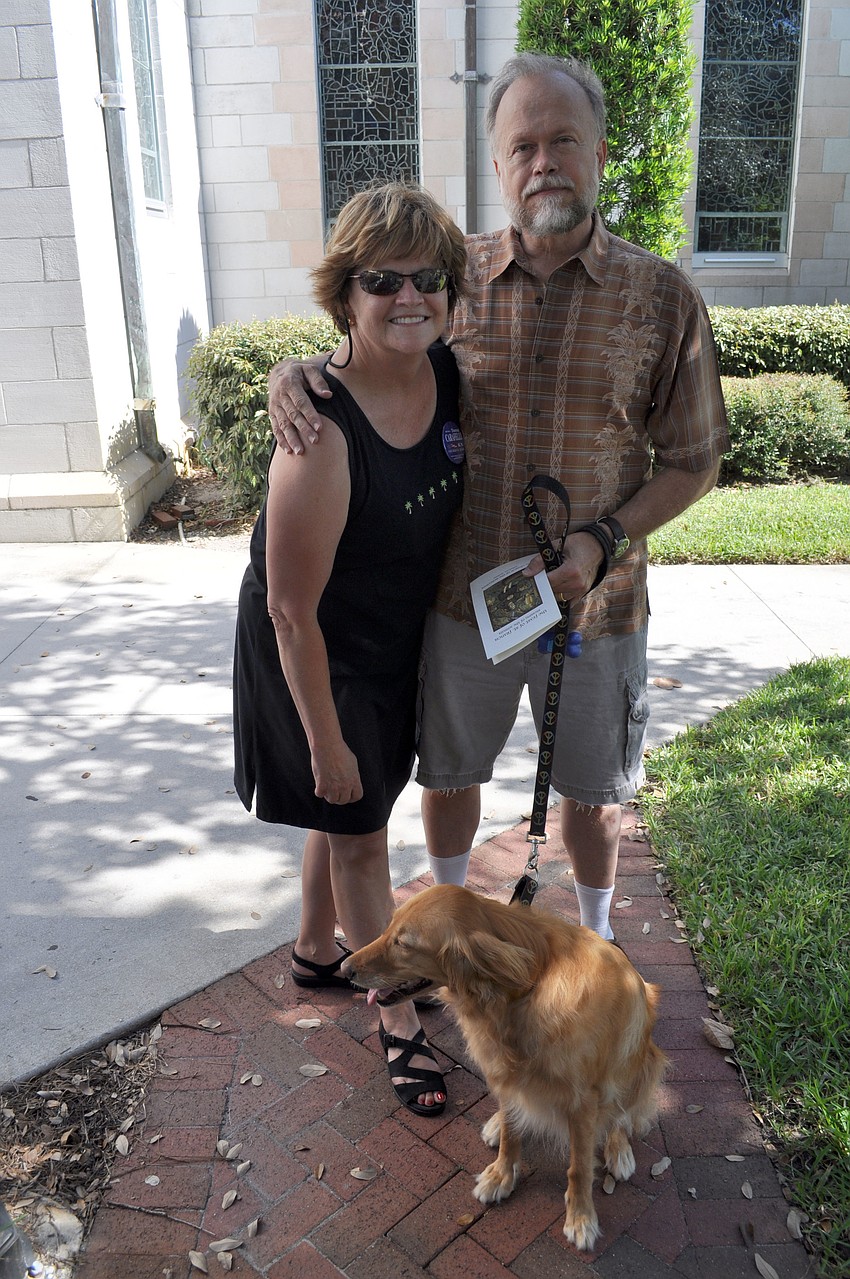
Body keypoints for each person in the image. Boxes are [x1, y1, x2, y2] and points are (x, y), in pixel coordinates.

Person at [267, 53, 730, 941]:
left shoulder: (663, 297)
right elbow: (367, 356)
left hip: (599, 607)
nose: (544, 162)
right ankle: (449, 925)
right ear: (498, 167)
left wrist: (603, 538)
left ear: (600, 151)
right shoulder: (450, 279)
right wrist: (293, 374)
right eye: (523, 146)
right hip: (461, 599)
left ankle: (591, 939)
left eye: (564, 141)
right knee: (449, 778)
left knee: (592, 797)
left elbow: (694, 457)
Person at [233, 182, 467, 1115]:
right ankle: (400, 1019)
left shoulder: (446, 371)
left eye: (429, 279)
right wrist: (325, 743)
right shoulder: (317, 433)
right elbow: (292, 613)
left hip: (387, 640)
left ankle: (314, 953)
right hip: (312, 651)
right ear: (345, 293)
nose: (410, 297)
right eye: (383, 281)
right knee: (358, 819)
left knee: (346, 815)